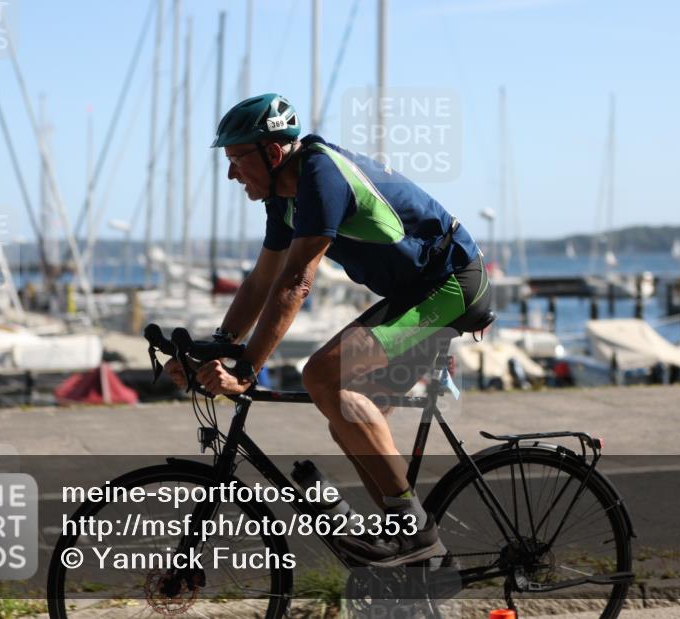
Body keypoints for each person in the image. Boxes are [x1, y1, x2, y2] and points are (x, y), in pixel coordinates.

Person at [165, 93, 491, 566]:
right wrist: (221, 346)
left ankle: (413, 533)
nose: (232, 174)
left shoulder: (321, 176)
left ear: (273, 153)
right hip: (415, 293)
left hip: (452, 284)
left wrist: (249, 369)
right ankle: (418, 560)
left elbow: (296, 282)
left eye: (237, 159)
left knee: (322, 374)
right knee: (349, 420)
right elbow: (262, 281)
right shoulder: (283, 197)